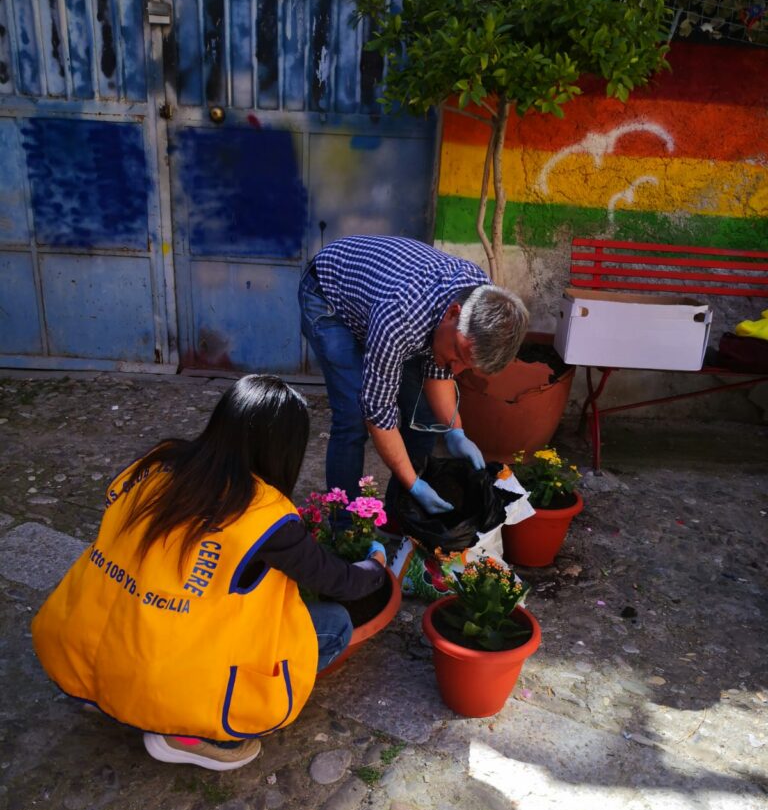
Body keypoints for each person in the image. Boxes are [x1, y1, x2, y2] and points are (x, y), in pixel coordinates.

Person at [31, 375, 387, 772]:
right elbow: (339, 581)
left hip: (75, 645)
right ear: (284, 448)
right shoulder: (263, 515)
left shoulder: (159, 462)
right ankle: (187, 733)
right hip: (160, 674)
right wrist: (376, 565)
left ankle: (104, 691)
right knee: (334, 625)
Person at [298, 235, 529, 518]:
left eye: (466, 366)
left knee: (424, 418)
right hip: (329, 294)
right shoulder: (401, 316)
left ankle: (400, 517)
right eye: (458, 355)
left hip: (382, 302)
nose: (456, 371)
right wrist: (413, 483)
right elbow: (377, 411)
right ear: (452, 313)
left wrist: (455, 431)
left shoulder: (481, 300)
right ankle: (346, 527)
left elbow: (439, 370)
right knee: (353, 417)